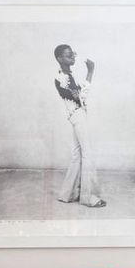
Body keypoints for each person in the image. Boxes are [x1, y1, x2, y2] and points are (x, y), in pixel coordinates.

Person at [54, 44, 107, 208]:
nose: (73, 57)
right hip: (77, 115)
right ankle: (89, 197)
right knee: (87, 153)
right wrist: (90, 72)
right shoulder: (62, 78)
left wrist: (81, 87)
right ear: (59, 58)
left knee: (77, 155)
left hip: (77, 115)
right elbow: (80, 97)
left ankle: (67, 194)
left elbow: (80, 94)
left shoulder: (69, 75)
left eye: (73, 54)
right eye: (68, 55)